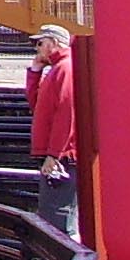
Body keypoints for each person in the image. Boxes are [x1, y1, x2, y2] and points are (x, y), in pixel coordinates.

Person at [27, 24, 77, 234]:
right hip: (57, 154)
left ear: (53, 43)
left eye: (40, 43)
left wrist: (54, 154)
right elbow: (36, 105)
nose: (37, 48)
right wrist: (35, 72)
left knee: (57, 216)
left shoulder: (64, 69)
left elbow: (66, 114)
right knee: (52, 215)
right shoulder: (57, 69)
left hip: (62, 156)